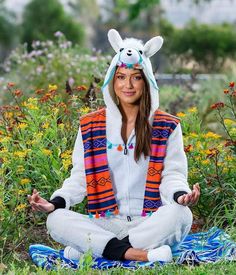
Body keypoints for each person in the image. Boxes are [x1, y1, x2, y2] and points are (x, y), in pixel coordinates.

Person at [28, 29, 200, 263]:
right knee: (55, 219)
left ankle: (96, 250)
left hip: (149, 222)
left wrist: (181, 196)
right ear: (112, 80)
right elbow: (79, 178)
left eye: (136, 77)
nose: (127, 84)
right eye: (121, 77)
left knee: (181, 215)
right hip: (104, 222)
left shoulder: (167, 126)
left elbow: (173, 174)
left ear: (147, 81)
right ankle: (140, 254)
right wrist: (54, 202)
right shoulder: (89, 126)